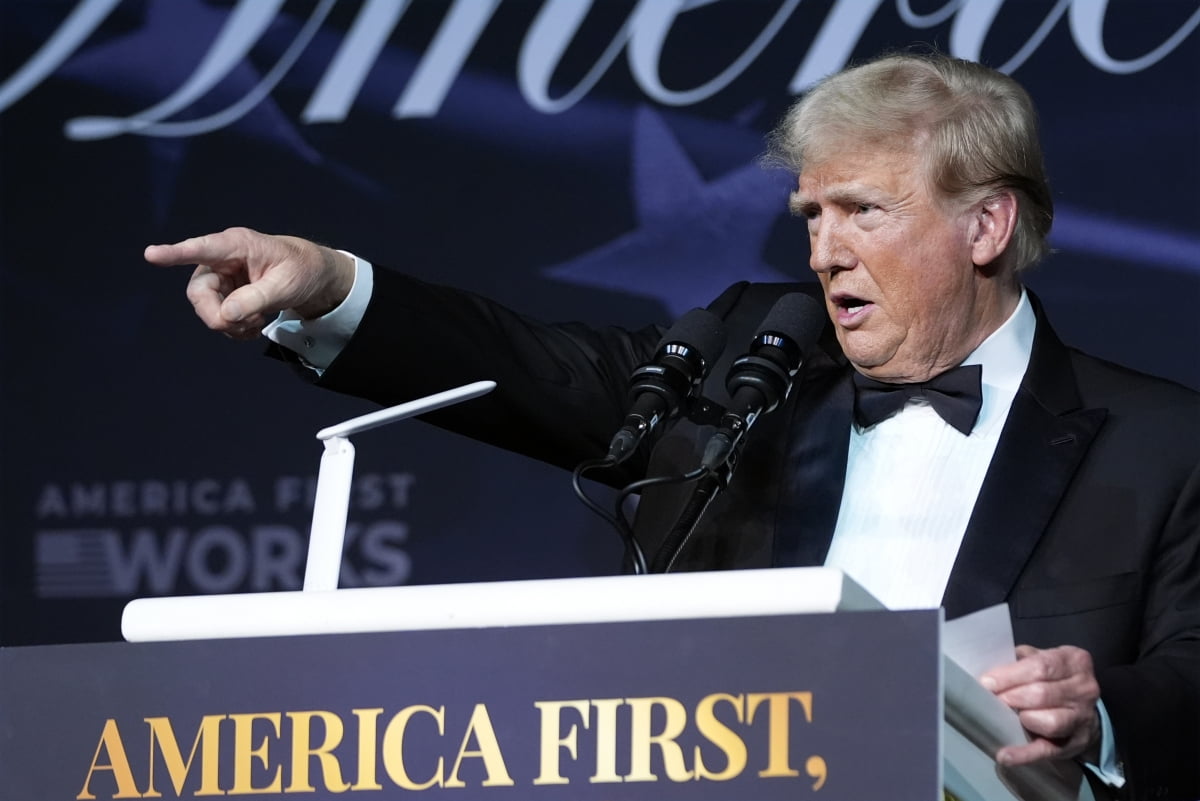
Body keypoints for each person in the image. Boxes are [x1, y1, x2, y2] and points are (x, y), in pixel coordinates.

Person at [146, 52, 1199, 800]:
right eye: (812, 217)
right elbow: (533, 367)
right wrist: (331, 287)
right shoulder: (756, 359)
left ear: (987, 224)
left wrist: (1104, 709)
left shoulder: (1162, 442)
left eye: (864, 211)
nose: (825, 252)